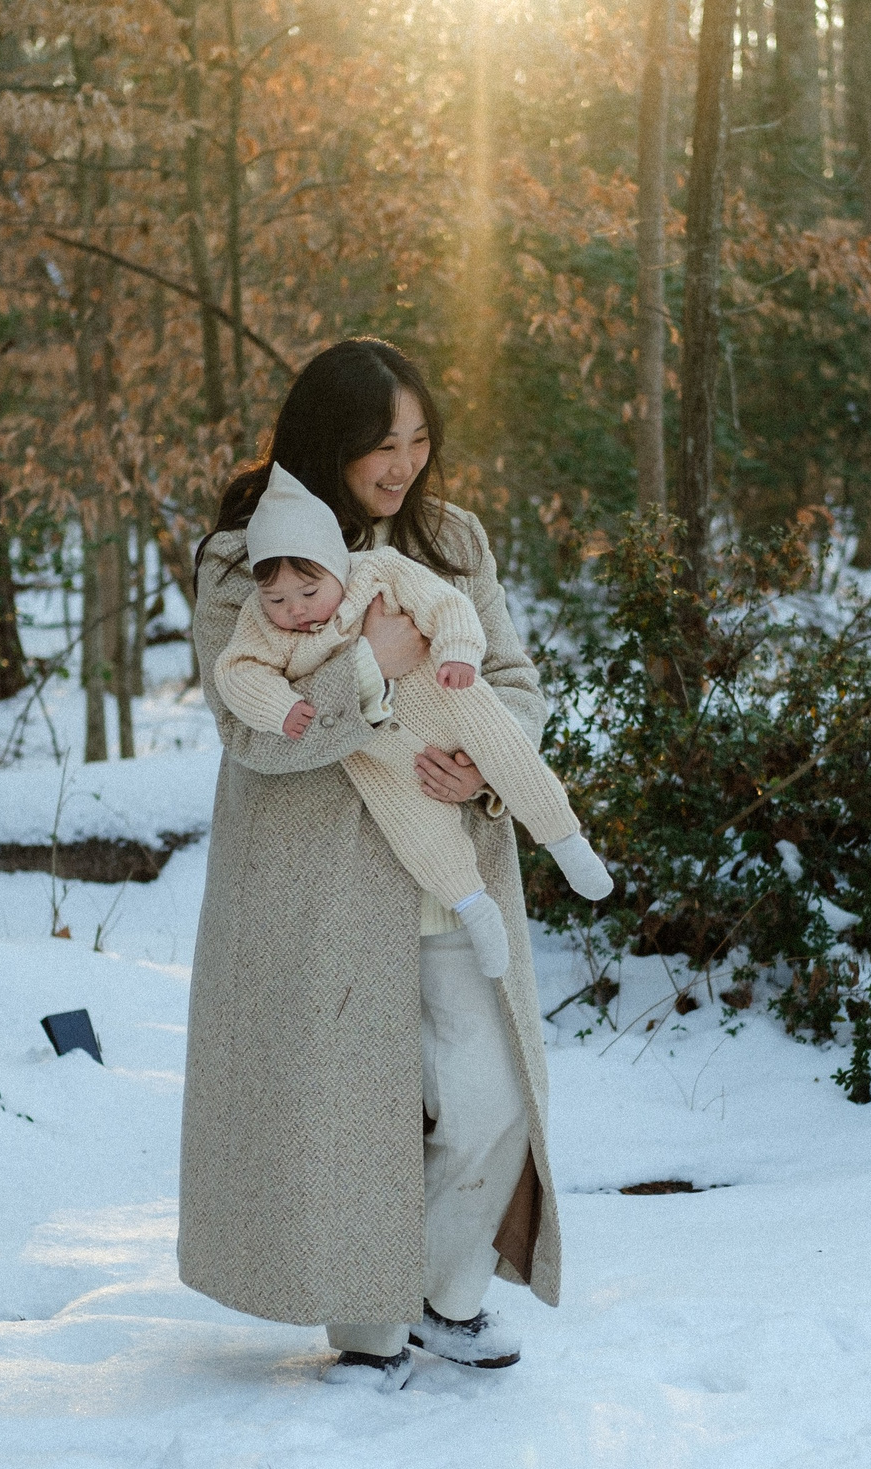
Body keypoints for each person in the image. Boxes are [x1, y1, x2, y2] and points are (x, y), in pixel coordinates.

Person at [182, 338, 565, 1391]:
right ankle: (366, 1330)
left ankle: (442, 1298)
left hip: (451, 869)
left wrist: (483, 771)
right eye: (377, 446)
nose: (401, 465)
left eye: (418, 439)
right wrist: (372, 670)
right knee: (348, 1107)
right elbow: (249, 726)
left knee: (490, 1098)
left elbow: (516, 681)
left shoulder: (451, 538)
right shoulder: (243, 557)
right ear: (326, 447)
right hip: (318, 884)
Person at [212, 463, 613, 979]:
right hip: (378, 749)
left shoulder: (379, 571)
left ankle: (565, 840)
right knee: (417, 830)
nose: (295, 611)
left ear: (336, 565)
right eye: (277, 599)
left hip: (451, 695)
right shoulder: (261, 622)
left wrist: (459, 651)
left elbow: (445, 603)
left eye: (309, 594)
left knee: (509, 752)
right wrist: (280, 706)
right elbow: (236, 672)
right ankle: (474, 906)